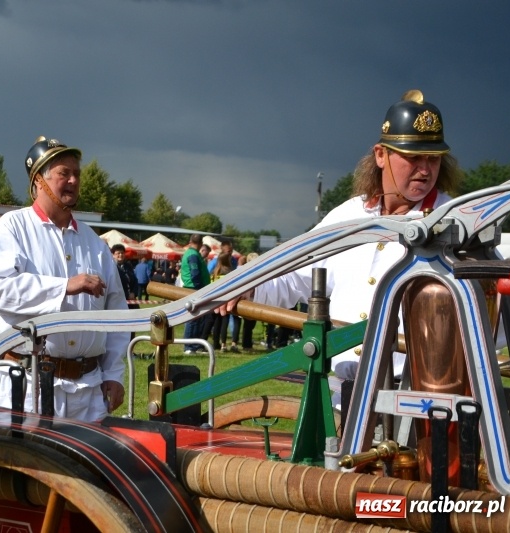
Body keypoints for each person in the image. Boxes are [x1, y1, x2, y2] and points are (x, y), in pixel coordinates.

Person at [222, 89, 462, 388]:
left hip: (419, 393)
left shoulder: (456, 222)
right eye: (413, 157)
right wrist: (249, 287)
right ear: (380, 155)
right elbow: (296, 276)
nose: (425, 170)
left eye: (434, 159)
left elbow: (493, 313)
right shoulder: (348, 214)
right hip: (343, 388)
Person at [0, 136, 127, 422]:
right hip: (29, 386)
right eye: (64, 173)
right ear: (38, 181)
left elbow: (117, 314)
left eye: (76, 174)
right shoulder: (13, 227)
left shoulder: (94, 243)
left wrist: (113, 374)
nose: (73, 180)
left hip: (89, 391)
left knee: (85, 468)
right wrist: (63, 287)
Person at [180, 234, 211, 354]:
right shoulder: (193, 254)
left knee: (197, 318)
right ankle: (189, 347)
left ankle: (194, 346)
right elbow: (195, 273)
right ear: (200, 243)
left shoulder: (191, 253)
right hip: (194, 288)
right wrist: (200, 288)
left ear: (190, 241)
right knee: (192, 318)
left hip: (194, 288)